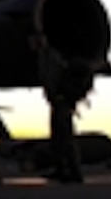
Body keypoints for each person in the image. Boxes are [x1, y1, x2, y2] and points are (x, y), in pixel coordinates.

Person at [31, 33, 87, 184]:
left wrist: (60, 94)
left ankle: (73, 171)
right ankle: (62, 169)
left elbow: (56, 77)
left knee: (65, 137)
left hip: (61, 101)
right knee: (58, 137)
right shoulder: (45, 57)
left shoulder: (51, 58)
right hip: (57, 101)